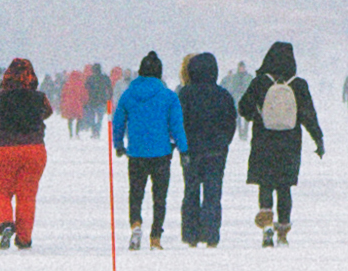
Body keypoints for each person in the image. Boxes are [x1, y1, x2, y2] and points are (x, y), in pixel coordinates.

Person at [238, 41, 324, 246]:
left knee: (265, 184)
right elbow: (308, 115)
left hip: (263, 142)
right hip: (289, 144)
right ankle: (283, 232)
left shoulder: (260, 82)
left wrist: (258, 117)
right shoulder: (298, 84)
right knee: (284, 187)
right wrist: (318, 139)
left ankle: (267, 224)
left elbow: (243, 107)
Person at [109, 51, 187, 249]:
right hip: (161, 153)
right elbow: (176, 125)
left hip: (136, 153)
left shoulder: (128, 94)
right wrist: (183, 149)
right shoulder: (169, 96)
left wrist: (118, 145)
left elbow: (117, 122)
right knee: (159, 197)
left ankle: (136, 225)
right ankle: (155, 237)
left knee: (136, 193)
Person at [0, 58, 52, 248]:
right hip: (33, 149)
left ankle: (6, 222)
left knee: (1, 191)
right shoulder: (39, 97)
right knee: (27, 196)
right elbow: (48, 112)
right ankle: (24, 238)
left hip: (4, 149)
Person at [176, 52, 238, 248]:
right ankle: (211, 236)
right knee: (213, 193)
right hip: (216, 151)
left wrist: (180, 145)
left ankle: (191, 235)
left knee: (191, 192)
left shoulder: (185, 94)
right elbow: (231, 122)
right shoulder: (223, 95)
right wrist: (224, 142)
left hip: (190, 151)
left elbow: (177, 122)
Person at [83, 62, 114, 140]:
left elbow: (85, 89)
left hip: (92, 101)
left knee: (92, 118)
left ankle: (94, 131)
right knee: (99, 119)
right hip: (102, 101)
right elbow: (109, 88)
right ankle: (97, 132)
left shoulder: (90, 78)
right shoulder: (105, 78)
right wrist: (109, 97)